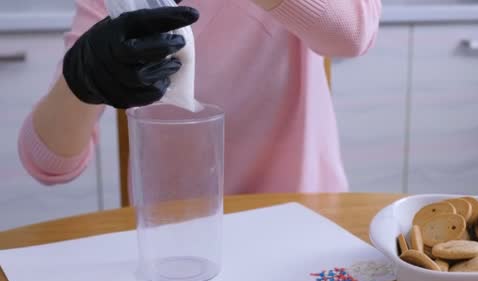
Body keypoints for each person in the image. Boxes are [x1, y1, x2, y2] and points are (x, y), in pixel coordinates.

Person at [18, 0, 381, 195]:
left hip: (303, 214)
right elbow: (48, 162)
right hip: (177, 232)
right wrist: (82, 78)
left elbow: (353, 33)